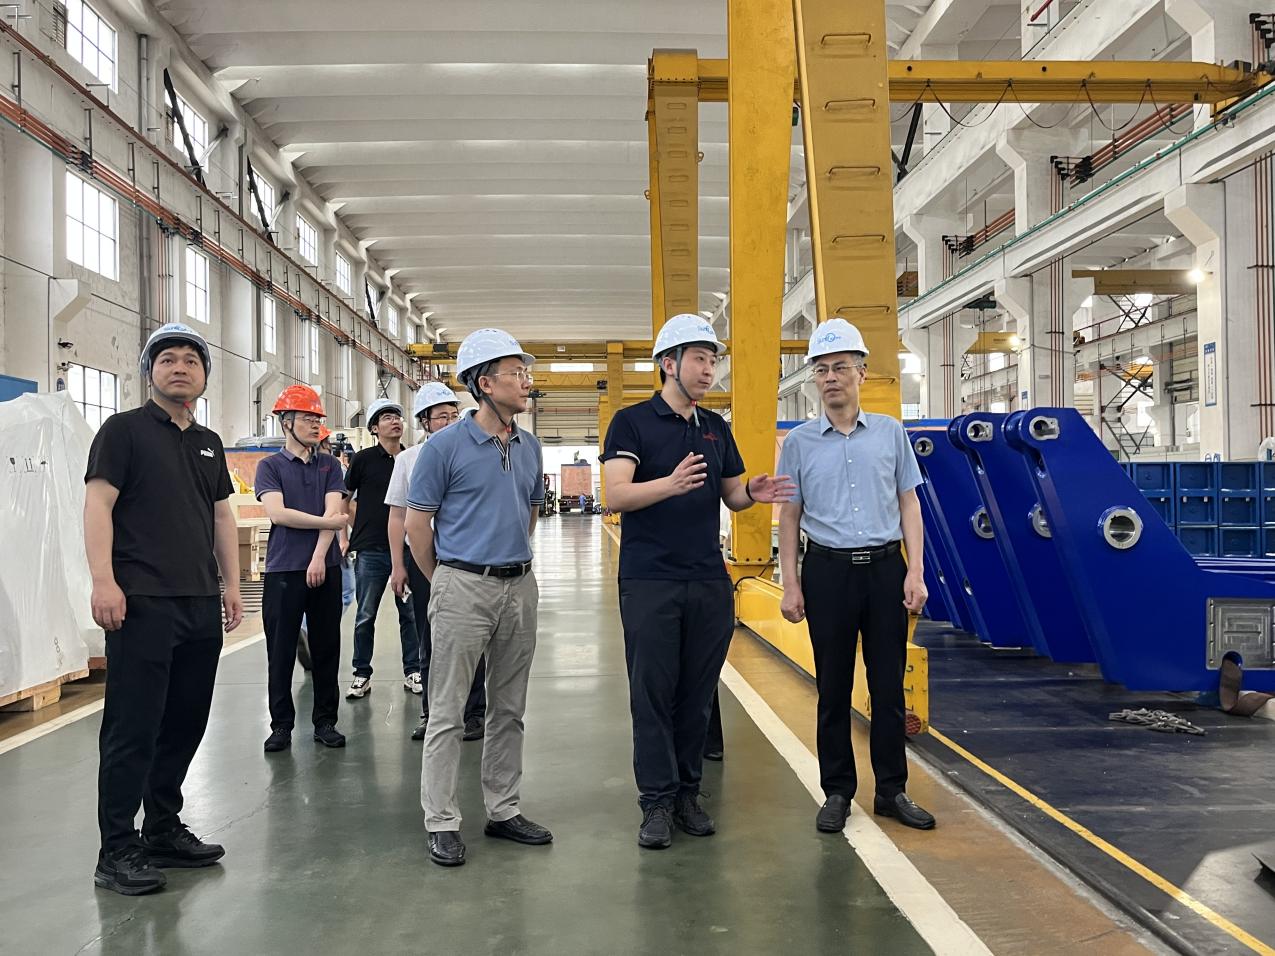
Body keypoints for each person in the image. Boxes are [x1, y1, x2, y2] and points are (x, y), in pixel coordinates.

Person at [600, 314, 795, 850]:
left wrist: (753, 491)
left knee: (697, 695)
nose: (710, 370)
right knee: (653, 694)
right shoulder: (632, 423)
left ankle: (688, 794)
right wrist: (669, 484)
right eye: (700, 360)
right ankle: (656, 802)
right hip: (650, 580)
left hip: (708, 578)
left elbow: (731, 494)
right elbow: (615, 495)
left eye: (713, 361)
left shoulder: (715, 427)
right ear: (669, 363)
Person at [84, 322, 244, 896]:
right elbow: (98, 505)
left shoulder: (209, 442)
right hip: (142, 601)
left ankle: (161, 829)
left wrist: (231, 584)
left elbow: (221, 515)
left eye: (191, 361)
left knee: (185, 721)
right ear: (149, 371)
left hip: (199, 601)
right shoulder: (122, 431)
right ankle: (116, 850)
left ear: (204, 376)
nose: (180, 367)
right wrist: (104, 581)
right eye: (168, 358)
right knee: (133, 726)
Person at [777, 319, 934, 833]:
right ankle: (838, 791)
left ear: (862, 373)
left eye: (840, 367)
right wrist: (791, 583)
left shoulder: (890, 433)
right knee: (833, 689)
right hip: (827, 573)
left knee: (888, 689)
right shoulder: (799, 443)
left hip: (886, 571)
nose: (830, 378)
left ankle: (891, 790)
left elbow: (909, 504)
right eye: (821, 370)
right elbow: (790, 517)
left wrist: (915, 571)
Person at [406, 328, 552, 868]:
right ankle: (441, 820)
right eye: (516, 373)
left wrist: (509, 561)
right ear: (485, 383)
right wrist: (446, 578)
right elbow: (417, 526)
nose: (527, 382)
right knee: (447, 711)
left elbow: (529, 511)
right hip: (462, 584)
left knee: (509, 707)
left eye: (526, 372)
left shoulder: (530, 446)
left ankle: (503, 808)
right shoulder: (443, 447)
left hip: (519, 584)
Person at [387, 382, 487, 742]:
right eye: (440, 416)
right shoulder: (409, 460)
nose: (448, 422)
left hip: (466, 557)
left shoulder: (475, 454)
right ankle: (431, 713)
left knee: (472, 637)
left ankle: (474, 713)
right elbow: (398, 516)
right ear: (424, 422)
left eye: (453, 415)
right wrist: (398, 565)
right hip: (423, 558)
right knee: (430, 638)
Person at [255, 385, 349, 753]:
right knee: (280, 652)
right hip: (283, 570)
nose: (315, 425)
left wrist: (318, 556)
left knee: (327, 649)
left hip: (325, 566)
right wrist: (328, 524)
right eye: (307, 418)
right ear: (286, 422)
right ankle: (281, 726)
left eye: (317, 419)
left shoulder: (330, 466)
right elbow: (279, 514)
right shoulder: (270, 467)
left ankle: (325, 722)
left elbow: (335, 510)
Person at [345, 398, 419, 698]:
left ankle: (413, 671)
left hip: (407, 549)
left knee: (410, 614)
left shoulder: (412, 458)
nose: (395, 421)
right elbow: (345, 498)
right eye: (387, 418)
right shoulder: (362, 460)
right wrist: (351, 531)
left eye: (397, 417)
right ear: (374, 428)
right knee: (365, 615)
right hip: (371, 550)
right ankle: (361, 673)